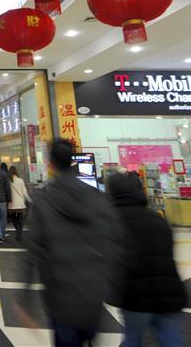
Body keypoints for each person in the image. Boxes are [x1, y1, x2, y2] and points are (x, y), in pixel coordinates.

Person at [29, 139, 121, 347]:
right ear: (72, 162)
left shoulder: (43, 199)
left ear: (50, 165)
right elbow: (114, 241)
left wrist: (25, 301)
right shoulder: (97, 196)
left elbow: (32, 251)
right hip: (93, 293)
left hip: (60, 295)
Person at [106, 172, 187, 347]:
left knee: (132, 340)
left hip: (136, 296)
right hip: (170, 293)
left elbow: (115, 259)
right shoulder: (158, 218)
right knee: (172, 342)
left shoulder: (113, 220)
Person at [8, 166, 30, 242]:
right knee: (20, 219)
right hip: (20, 203)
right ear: (16, 171)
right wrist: (29, 200)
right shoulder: (20, 180)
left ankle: (17, 229)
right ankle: (19, 232)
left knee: (14, 219)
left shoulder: (8, 181)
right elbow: (24, 192)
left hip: (12, 204)